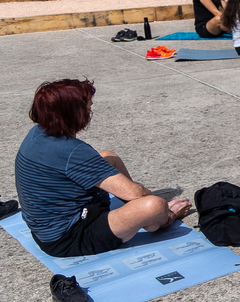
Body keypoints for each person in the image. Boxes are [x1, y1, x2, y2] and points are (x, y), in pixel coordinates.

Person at [14, 79, 191, 259]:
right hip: (68, 238)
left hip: (49, 227)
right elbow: (136, 193)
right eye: (88, 108)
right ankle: (163, 219)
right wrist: (164, 211)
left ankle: (139, 216)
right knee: (154, 205)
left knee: (109, 157)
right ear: (73, 114)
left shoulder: (38, 133)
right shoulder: (71, 151)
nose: (90, 113)